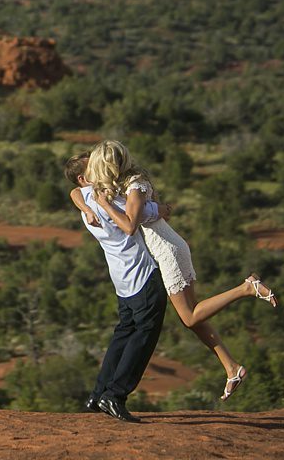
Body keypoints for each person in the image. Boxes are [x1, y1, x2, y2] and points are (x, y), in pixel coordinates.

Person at [82, 140, 278, 401]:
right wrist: (87, 204)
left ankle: (246, 288)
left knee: (190, 317)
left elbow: (130, 225)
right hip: (169, 247)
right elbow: (76, 190)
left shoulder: (135, 186)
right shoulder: (121, 186)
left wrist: (104, 206)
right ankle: (232, 367)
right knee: (194, 317)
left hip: (167, 250)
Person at [66, 155, 168, 422]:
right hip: (143, 275)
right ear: (85, 178)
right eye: (94, 166)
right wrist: (160, 208)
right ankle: (115, 395)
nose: (102, 165)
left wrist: (87, 208)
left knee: (124, 334)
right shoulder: (111, 202)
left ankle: (98, 393)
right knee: (144, 336)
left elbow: (74, 192)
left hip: (122, 281)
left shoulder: (87, 199)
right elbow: (150, 213)